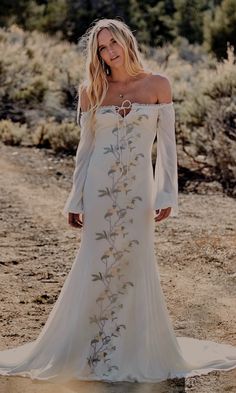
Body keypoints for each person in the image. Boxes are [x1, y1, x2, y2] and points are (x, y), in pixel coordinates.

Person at [0, 18, 235, 385]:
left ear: (126, 41)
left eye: (113, 43)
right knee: (95, 261)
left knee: (135, 262)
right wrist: (74, 200)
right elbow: (85, 152)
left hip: (138, 193)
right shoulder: (91, 90)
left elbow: (168, 149)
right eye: (101, 48)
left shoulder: (158, 85)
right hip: (98, 191)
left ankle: (132, 346)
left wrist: (166, 193)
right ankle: (92, 349)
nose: (109, 52)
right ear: (97, 54)